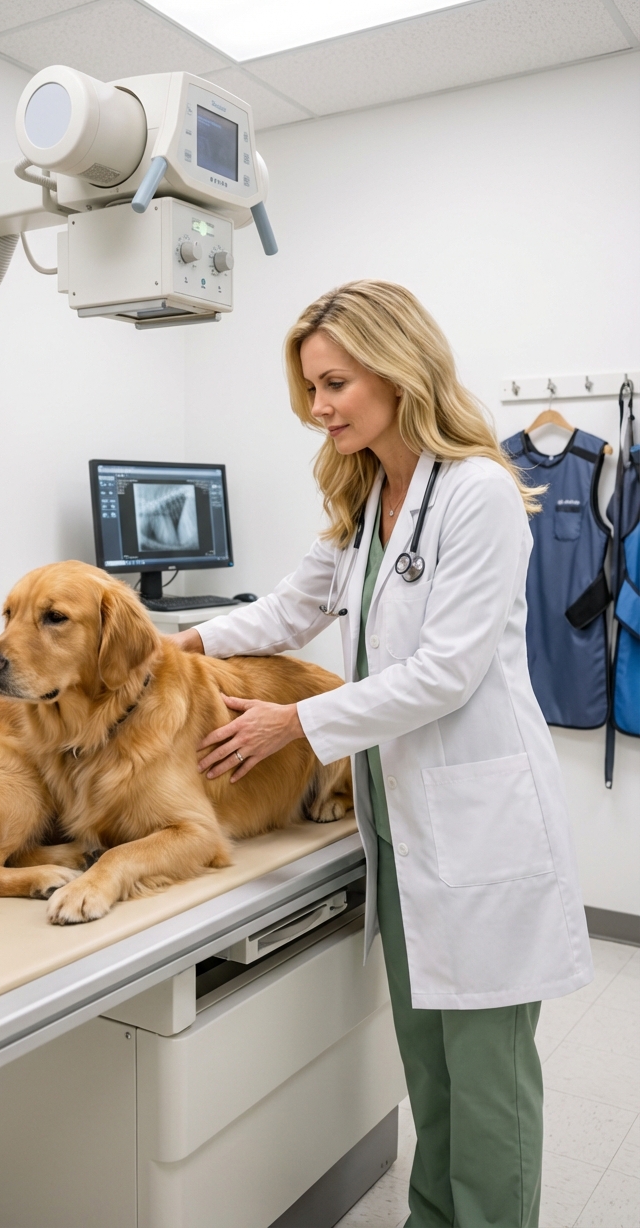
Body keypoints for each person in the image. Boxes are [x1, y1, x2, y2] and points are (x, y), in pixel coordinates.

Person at [171, 281, 593, 1228]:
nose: (318, 409)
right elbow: (291, 608)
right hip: (401, 826)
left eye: (334, 384)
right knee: (428, 1062)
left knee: (487, 1079)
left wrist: (295, 726)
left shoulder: (477, 492)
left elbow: (446, 672)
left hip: (480, 826)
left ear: (397, 368)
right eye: (311, 390)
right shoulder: (371, 496)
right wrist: (184, 644)